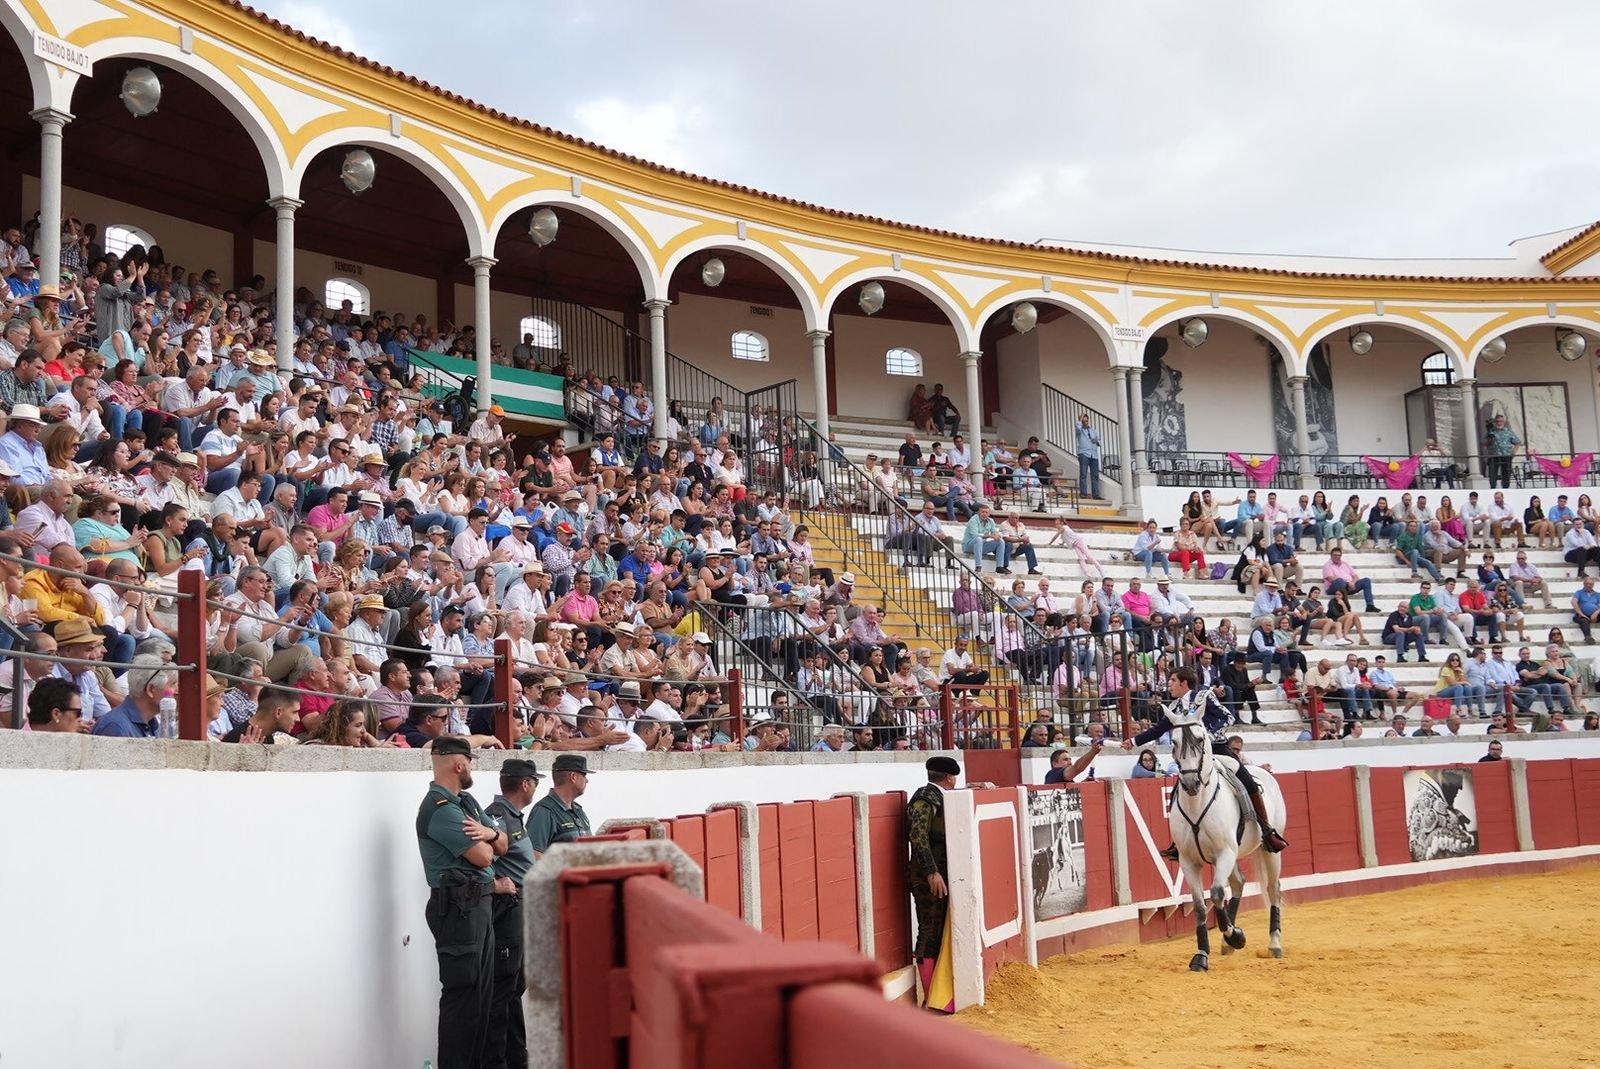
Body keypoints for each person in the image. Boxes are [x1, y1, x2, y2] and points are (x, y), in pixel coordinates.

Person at [1123, 666, 1289, 857]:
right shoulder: (1175, 707)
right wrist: (1133, 741)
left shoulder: (1204, 696)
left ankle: (1267, 830)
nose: (1169, 685)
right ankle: (1178, 842)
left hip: (1217, 750)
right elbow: (1159, 729)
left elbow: (1227, 717)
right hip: (1193, 758)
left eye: (1173, 681)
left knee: (1249, 783)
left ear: (1184, 683)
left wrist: (1207, 736)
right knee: (1179, 789)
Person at [416, 735, 502, 1069]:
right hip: (457, 908)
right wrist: (491, 841)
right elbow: (484, 857)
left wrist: (491, 835)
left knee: (481, 998)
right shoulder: (440, 808)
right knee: (464, 997)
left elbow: (502, 843)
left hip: (476, 904)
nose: (470, 770)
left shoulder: (464, 803)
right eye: (470, 762)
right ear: (459, 763)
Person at [483, 759, 540, 1069]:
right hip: (508, 907)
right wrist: (495, 885)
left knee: (514, 987)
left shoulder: (512, 816)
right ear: (525, 784)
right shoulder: (497, 816)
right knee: (503, 989)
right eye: (535, 781)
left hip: (520, 905)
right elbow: (483, 856)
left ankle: (516, 1057)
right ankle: (497, 1060)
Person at [907, 754, 958, 1008]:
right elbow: (918, 837)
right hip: (929, 876)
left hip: (944, 873)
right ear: (950, 778)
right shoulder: (925, 799)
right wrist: (931, 872)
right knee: (929, 929)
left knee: (938, 930)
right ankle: (931, 998)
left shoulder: (939, 797)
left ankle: (940, 994)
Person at [527, 753, 593, 856]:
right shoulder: (545, 811)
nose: (587, 780)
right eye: (584, 775)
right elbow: (535, 854)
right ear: (573, 777)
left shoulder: (578, 810)